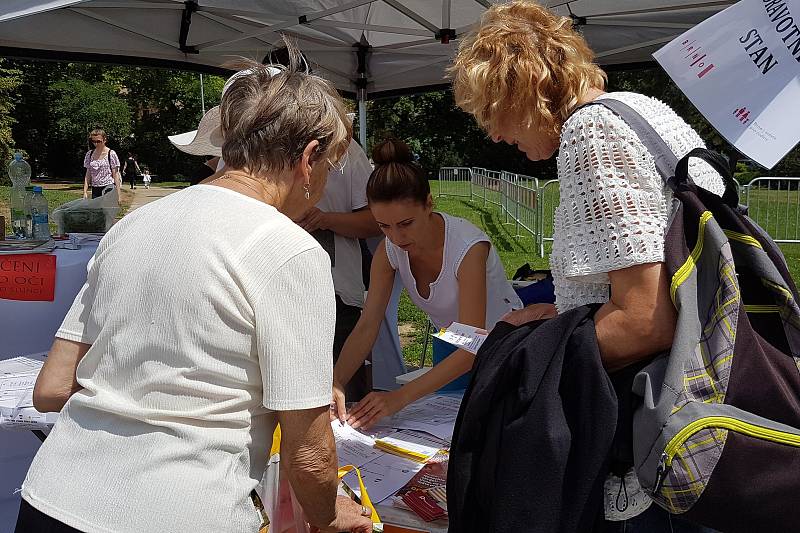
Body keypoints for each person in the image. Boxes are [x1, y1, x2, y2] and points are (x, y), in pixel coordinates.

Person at [17, 59, 372, 533]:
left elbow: (54, 387)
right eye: (330, 168)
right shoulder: (289, 249)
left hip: (52, 496)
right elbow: (307, 445)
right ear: (308, 160)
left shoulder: (135, 226)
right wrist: (329, 518)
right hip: (179, 512)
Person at [449, 2, 724, 531]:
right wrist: (567, 318)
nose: (494, 135)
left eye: (491, 113)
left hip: (648, 431)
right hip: (700, 407)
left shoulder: (590, 133)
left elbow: (647, 319)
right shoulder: (642, 110)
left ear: (522, 89)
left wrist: (529, 352)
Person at [331, 138, 522, 429]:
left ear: (429, 204)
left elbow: (472, 346)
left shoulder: (468, 248)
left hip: (506, 350)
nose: (396, 237)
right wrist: (336, 382)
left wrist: (399, 397)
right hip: (455, 347)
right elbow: (368, 325)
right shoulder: (390, 250)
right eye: (384, 226)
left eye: (405, 224)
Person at [296, 137, 382, 401]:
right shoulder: (255, 145)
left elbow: (376, 221)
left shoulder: (346, 149)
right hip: (280, 292)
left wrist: (326, 220)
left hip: (337, 293)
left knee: (345, 396)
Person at [82, 128, 121, 200]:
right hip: (95, 188)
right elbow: (88, 174)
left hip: (108, 187)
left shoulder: (111, 154)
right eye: (93, 141)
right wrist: (85, 191)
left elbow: (115, 175)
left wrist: (118, 195)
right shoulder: (89, 154)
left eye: (98, 141)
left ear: (104, 140)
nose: (96, 144)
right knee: (97, 210)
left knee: (106, 210)